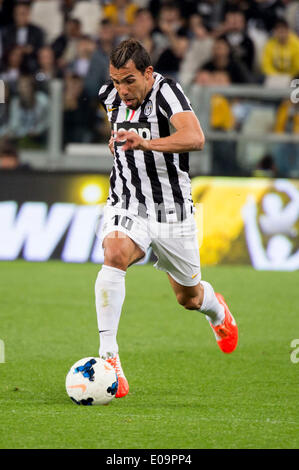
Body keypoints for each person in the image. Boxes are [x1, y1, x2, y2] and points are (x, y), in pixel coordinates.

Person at [96, 39, 238, 398]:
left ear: (147, 73)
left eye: (129, 80)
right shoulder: (109, 97)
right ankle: (109, 358)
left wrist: (145, 144)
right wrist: (116, 143)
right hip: (127, 202)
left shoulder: (167, 92)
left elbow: (195, 137)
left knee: (187, 297)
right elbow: (118, 134)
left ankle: (216, 310)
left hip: (172, 212)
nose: (122, 90)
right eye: (115, 81)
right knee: (114, 252)